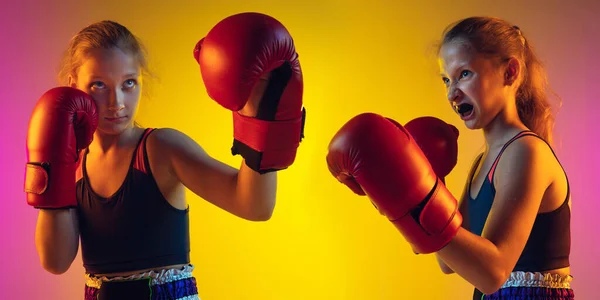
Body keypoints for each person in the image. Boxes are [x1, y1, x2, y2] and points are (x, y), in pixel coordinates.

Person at [24, 13, 305, 300]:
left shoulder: (159, 148)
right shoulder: (72, 165)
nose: (116, 103)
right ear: (74, 87)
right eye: (99, 85)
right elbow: (56, 261)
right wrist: (52, 162)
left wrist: (264, 116)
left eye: (129, 83)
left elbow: (254, 206)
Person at [326, 16, 573, 299]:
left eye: (464, 74)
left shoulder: (526, 151)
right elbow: (448, 262)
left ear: (510, 73)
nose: (452, 93)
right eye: (446, 79)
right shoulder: (482, 163)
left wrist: (416, 201)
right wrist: (424, 188)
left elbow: (492, 272)